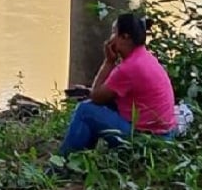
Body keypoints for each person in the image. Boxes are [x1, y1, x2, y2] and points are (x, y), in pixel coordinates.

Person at [57, 12, 177, 156]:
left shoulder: (129, 67)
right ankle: (80, 158)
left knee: (85, 110)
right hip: (165, 136)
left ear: (125, 37)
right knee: (97, 106)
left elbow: (96, 96)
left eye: (113, 32)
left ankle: (61, 164)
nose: (110, 38)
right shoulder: (143, 56)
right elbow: (107, 95)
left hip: (147, 141)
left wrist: (109, 62)